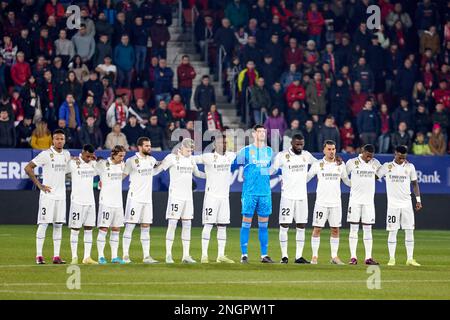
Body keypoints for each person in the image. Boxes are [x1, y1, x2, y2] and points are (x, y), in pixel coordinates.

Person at [25, 129, 71, 264]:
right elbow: (28, 168)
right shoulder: (45, 154)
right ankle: (39, 256)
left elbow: (69, 170)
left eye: (62, 139)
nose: (59, 141)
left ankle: (56, 256)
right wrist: (40, 185)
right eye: (57, 139)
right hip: (48, 196)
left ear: (65, 140)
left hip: (61, 196)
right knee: (44, 223)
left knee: (58, 225)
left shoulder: (66, 155)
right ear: (53, 140)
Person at [157, 138, 205, 263]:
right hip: (175, 197)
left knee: (187, 225)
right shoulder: (171, 158)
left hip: (188, 198)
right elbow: (159, 169)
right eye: (188, 150)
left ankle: (186, 256)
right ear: (181, 148)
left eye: (191, 151)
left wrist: (212, 175)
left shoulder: (191, 159)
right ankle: (168, 255)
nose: (190, 153)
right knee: (172, 224)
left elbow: (198, 174)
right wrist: (146, 172)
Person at [272, 133, 317, 264]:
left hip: (302, 197)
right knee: (284, 225)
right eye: (297, 144)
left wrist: (307, 177)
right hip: (287, 196)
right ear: (291, 143)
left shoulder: (306, 155)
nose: (299, 146)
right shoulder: (282, 156)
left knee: (301, 225)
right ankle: (284, 256)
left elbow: (318, 164)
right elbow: (273, 170)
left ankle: (298, 256)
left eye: (301, 144)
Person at [232, 125, 274, 263]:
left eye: (264, 131)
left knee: (264, 225)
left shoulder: (269, 151)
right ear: (254, 134)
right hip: (250, 193)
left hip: (265, 193)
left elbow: (274, 169)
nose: (262, 133)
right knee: (246, 223)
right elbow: (232, 166)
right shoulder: (245, 151)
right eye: (260, 131)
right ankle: (244, 254)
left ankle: (264, 255)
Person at [306, 140, 351, 264]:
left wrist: (358, 184)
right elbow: (307, 177)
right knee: (317, 229)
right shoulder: (318, 164)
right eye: (329, 149)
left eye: (333, 149)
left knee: (335, 229)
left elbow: (346, 181)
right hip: (321, 202)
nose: (331, 152)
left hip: (336, 203)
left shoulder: (340, 165)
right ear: (324, 150)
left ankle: (334, 257)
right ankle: (314, 256)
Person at [193, 135, 236, 264]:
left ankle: (221, 255)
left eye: (224, 142)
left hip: (224, 197)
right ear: (214, 145)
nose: (223, 144)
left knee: (222, 226)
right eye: (220, 142)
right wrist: (199, 174)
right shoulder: (207, 157)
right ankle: (204, 255)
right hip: (211, 197)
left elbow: (244, 152)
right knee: (208, 225)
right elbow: (191, 159)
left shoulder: (230, 156)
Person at [377, 145, 423, 266]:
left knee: (409, 230)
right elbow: (375, 176)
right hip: (393, 205)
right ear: (395, 154)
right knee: (393, 231)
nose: (402, 158)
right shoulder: (387, 166)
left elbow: (415, 184)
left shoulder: (410, 167)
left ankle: (410, 259)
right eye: (400, 156)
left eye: (404, 156)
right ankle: (392, 258)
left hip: (407, 204)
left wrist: (418, 200)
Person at [121, 137, 160, 264]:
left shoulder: (152, 160)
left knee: (146, 227)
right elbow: (123, 176)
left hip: (147, 200)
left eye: (150, 145)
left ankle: (146, 256)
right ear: (139, 147)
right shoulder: (131, 161)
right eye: (147, 146)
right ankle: (125, 255)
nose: (149, 148)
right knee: (130, 226)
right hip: (135, 199)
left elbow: (155, 168)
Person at [346, 144, 381, 265]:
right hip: (355, 200)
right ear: (362, 151)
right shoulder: (352, 162)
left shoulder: (375, 163)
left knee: (368, 229)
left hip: (368, 202)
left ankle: (368, 257)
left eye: (371, 156)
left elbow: (383, 173)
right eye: (367, 156)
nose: (369, 158)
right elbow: (343, 175)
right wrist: (352, 184)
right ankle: (353, 257)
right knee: (354, 228)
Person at [96, 145, 127, 264]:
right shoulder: (103, 164)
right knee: (103, 229)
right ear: (113, 154)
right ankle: (101, 256)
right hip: (106, 202)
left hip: (118, 203)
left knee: (116, 229)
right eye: (120, 156)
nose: (122, 158)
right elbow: (90, 170)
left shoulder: (123, 165)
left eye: (123, 156)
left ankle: (114, 257)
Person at [67, 144, 98, 265]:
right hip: (77, 201)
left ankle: (87, 257)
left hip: (90, 201)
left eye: (91, 156)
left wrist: (96, 160)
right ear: (82, 152)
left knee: (89, 229)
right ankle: (74, 256)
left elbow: (103, 168)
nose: (89, 158)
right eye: (87, 156)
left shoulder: (93, 164)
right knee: (75, 229)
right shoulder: (73, 163)